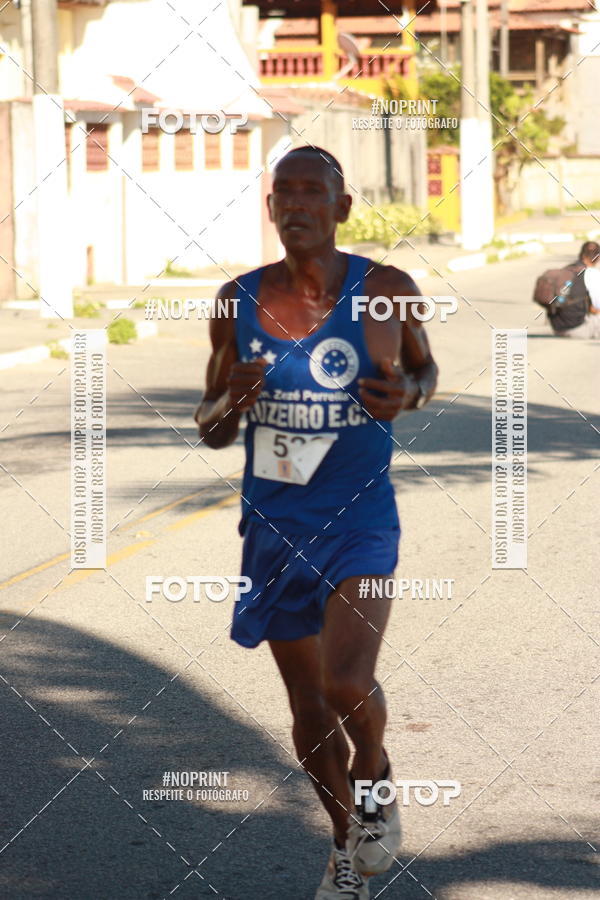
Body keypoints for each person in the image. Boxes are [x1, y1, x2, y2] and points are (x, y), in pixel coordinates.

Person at [196, 146, 438, 899]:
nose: (297, 204)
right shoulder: (236, 300)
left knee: (346, 682)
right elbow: (208, 426)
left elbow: (425, 370)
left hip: (360, 519)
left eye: (313, 192)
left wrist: (411, 394)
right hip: (274, 525)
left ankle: (377, 782)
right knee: (306, 708)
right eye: (284, 193)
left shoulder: (389, 290)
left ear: (343, 207)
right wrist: (230, 401)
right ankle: (344, 846)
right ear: (270, 209)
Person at [550, 241, 600, 339]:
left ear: (580, 254)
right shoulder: (592, 273)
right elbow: (597, 306)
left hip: (557, 328)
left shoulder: (567, 270)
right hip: (578, 329)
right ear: (597, 258)